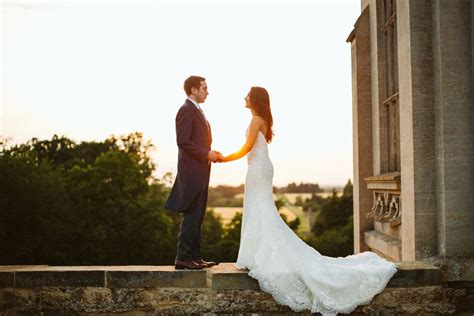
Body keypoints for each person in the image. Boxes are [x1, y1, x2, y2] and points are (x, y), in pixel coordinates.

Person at [218, 86, 398, 315]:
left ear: (254, 99)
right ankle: (253, 254)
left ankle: (254, 255)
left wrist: (224, 159)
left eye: (247, 95)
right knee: (260, 209)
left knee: (261, 209)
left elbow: (245, 148)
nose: (244, 97)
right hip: (259, 168)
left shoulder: (256, 119)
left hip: (258, 169)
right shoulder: (260, 119)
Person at [165, 75, 222, 270]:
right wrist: (206, 153)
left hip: (202, 169)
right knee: (191, 214)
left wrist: (211, 154)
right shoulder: (185, 110)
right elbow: (183, 141)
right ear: (193, 90)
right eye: (204, 88)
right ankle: (183, 258)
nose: (208, 91)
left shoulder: (198, 110)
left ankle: (196, 257)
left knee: (198, 215)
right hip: (191, 172)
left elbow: (200, 141)